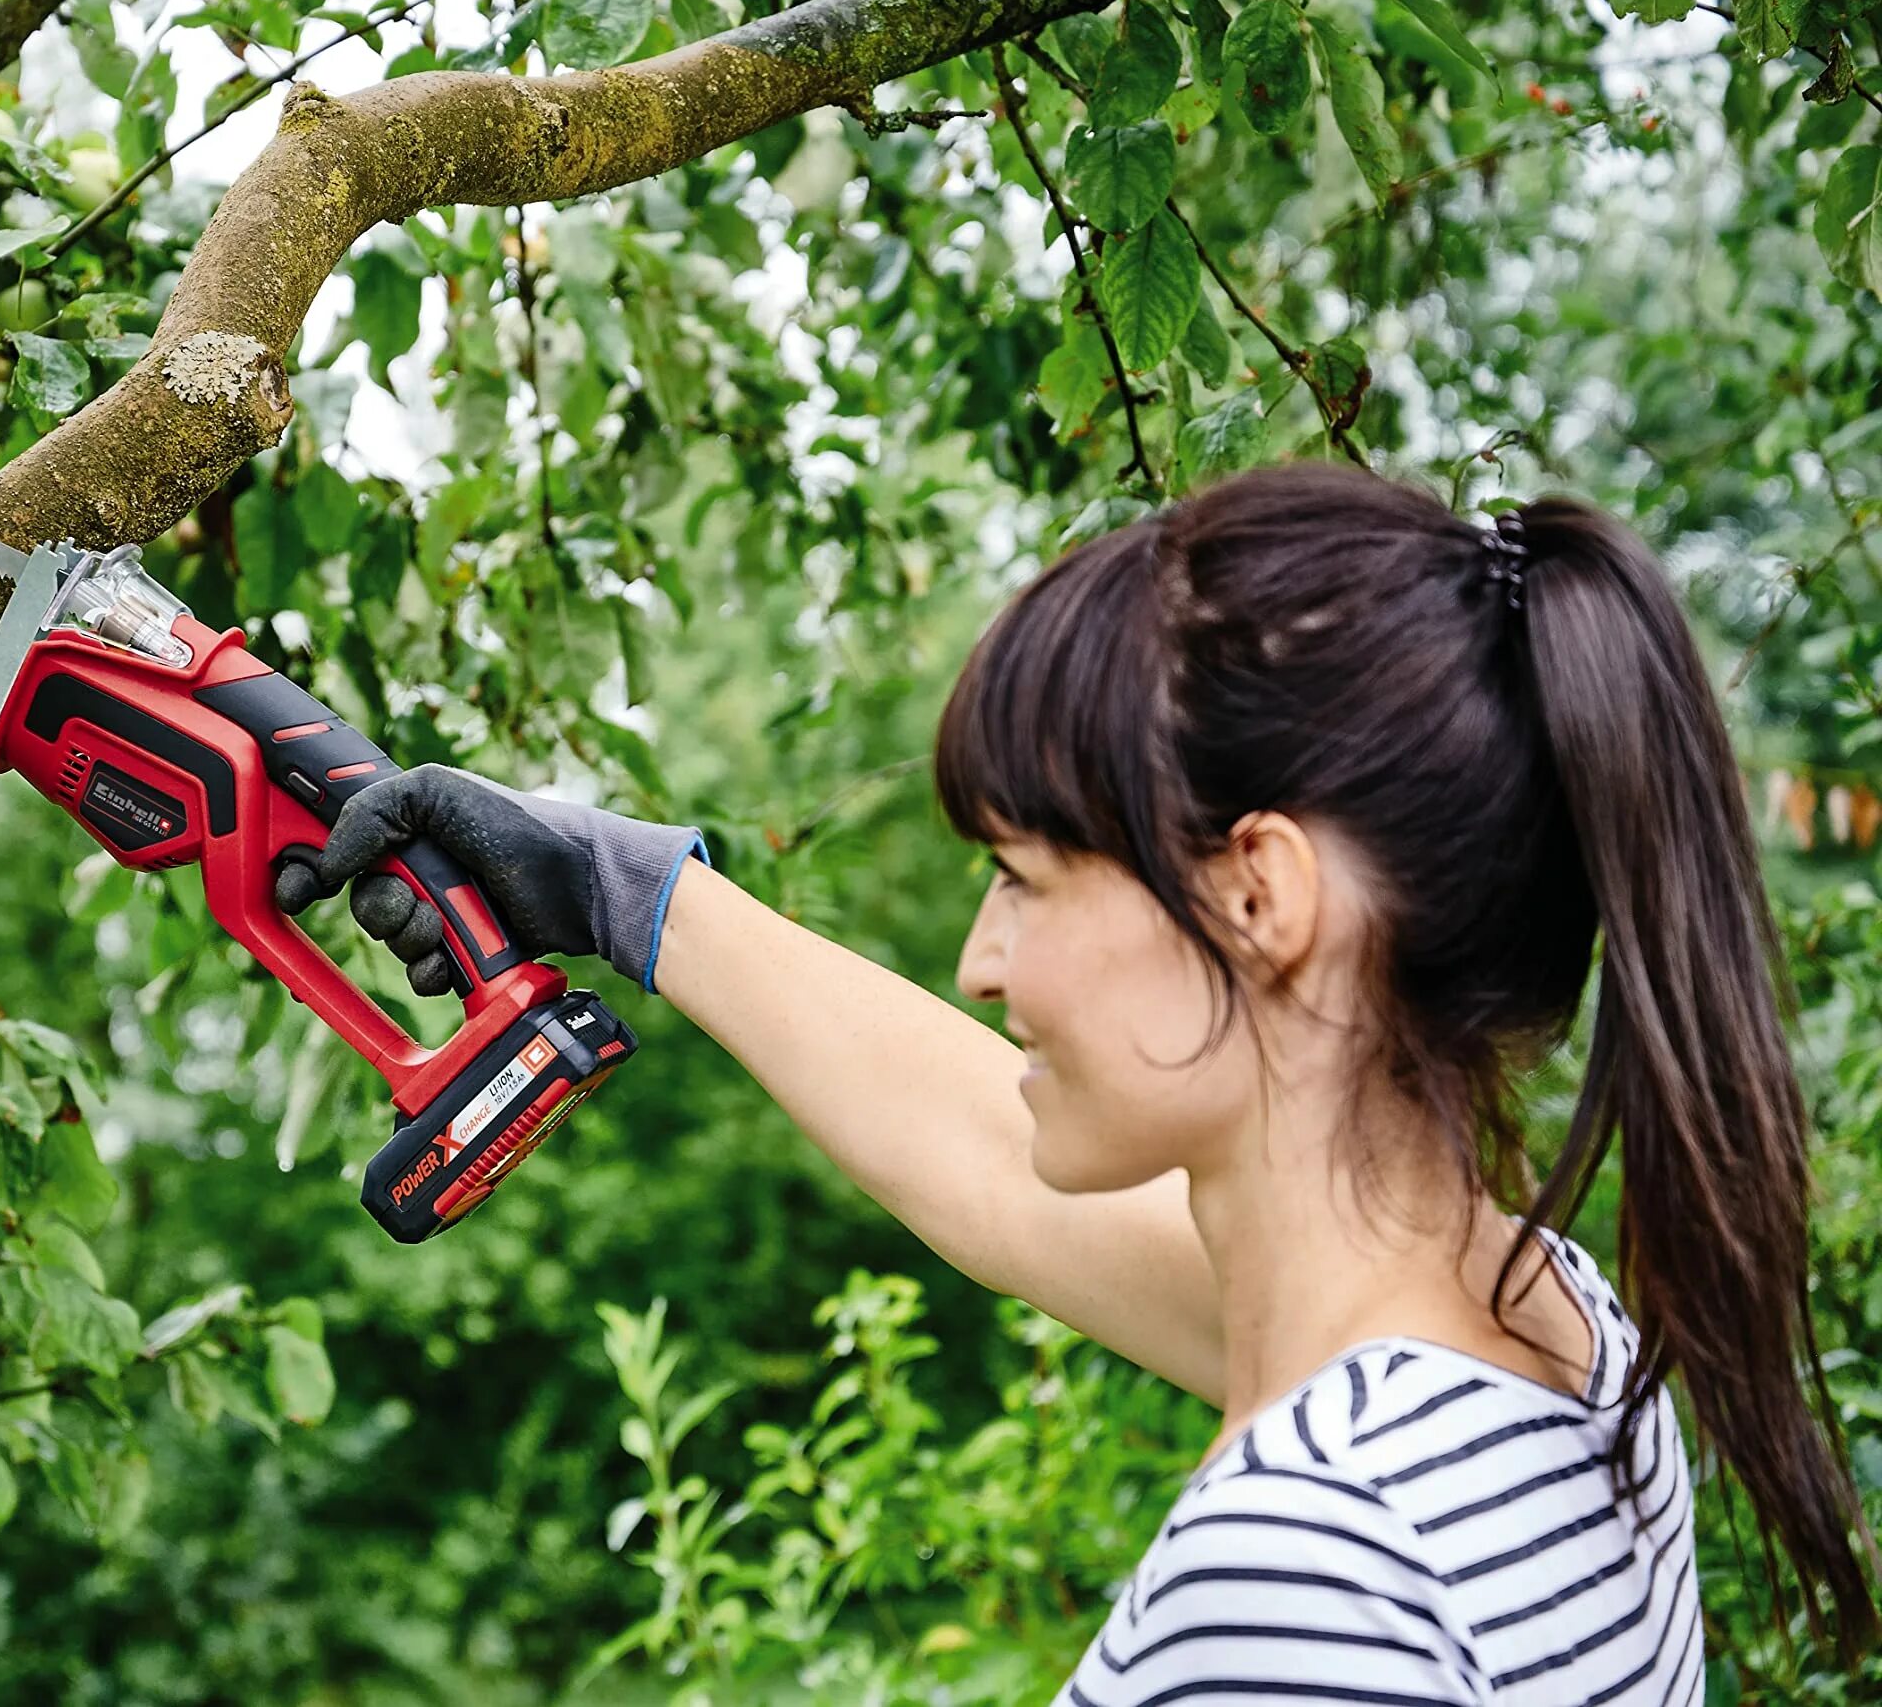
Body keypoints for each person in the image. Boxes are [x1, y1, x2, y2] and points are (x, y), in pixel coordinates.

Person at [272, 459, 1877, 1700]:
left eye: (1029, 879)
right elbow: (982, 1150)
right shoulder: (1555, 1335)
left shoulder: (1306, 1568)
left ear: (1261, 897)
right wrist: (630, 894)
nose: (983, 958)